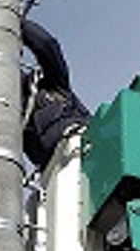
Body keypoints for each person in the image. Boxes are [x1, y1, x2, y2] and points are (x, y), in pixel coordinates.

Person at [21, 19, 91, 172]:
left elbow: (47, 46)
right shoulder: (15, 119)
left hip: (79, 147)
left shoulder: (54, 85)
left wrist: (15, 23)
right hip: (52, 171)